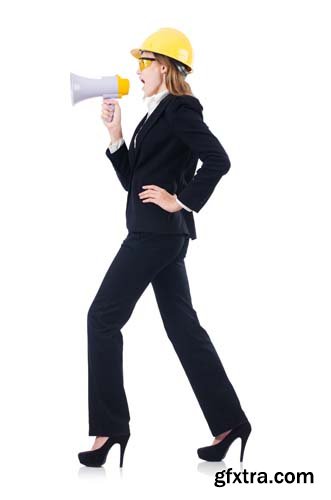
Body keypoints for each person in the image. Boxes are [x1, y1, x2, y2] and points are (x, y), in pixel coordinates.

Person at [78, 27, 251, 468]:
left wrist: (184, 199)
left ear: (165, 67)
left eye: (144, 63)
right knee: (183, 328)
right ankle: (230, 422)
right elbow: (134, 185)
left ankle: (110, 429)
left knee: (101, 319)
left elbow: (219, 159)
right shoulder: (156, 115)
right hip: (163, 236)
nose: (138, 72)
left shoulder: (178, 109)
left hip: (154, 236)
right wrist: (116, 136)